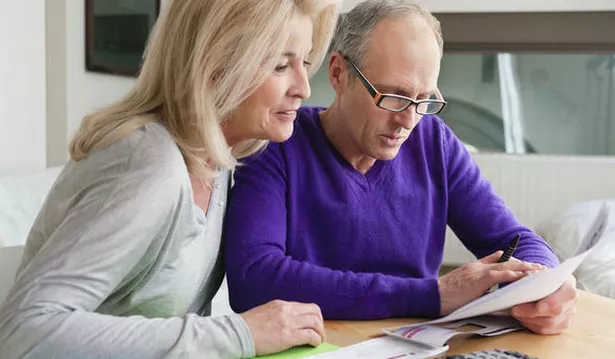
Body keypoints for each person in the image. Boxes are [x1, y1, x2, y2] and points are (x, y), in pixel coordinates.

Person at [0, 0, 340, 358]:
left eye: (304, 62)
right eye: (281, 65)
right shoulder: (150, 165)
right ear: (216, 64)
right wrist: (237, 334)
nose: (303, 87)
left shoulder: (218, 156)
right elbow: (25, 331)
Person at [224, 0, 577, 336]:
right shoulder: (275, 142)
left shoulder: (433, 141)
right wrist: (431, 294)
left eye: (424, 100)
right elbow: (254, 278)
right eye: (394, 96)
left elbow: (513, 240)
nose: (408, 120)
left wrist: (543, 281)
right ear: (338, 73)